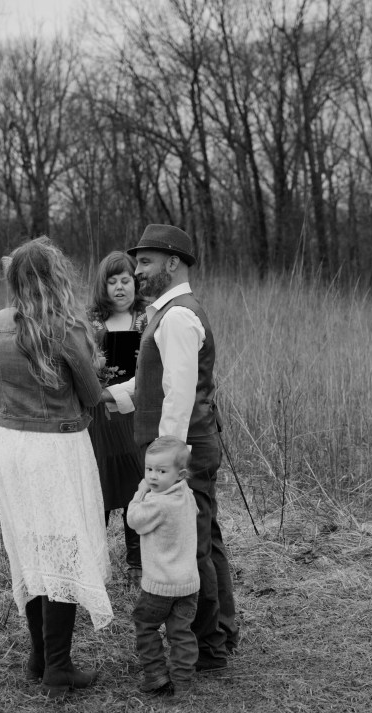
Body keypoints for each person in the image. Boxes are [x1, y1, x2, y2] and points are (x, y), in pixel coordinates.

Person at [0, 236, 114, 699]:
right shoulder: (66, 328)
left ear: (14, 279)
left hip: (9, 448)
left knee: (31, 548)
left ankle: (39, 657)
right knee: (63, 549)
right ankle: (58, 666)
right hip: (56, 450)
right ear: (56, 277)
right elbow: (92, 395)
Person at [127, 223, 239, 673]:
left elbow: (179, 394)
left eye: (145, 261)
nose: (137, 270)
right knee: (205, 538)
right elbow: (153, 383)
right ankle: (219, 634)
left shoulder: (176, 316)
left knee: (194, 548)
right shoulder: (170, 313)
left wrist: (167, 463)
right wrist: (107, 397)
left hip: (183, 453)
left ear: (172, 263)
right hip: (189, 448)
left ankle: (209, 647)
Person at [87, 251, 147, 588]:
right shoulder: (90, 322)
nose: (120, 287)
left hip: (135, 413)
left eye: (126, 280)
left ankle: (137, 561)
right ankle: (96, 563)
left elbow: (153, 370)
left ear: (135, 283)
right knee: (99, 483)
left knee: (136, 483)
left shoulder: (146, 319)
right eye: (113, 282)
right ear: (103, 286)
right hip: (98, 417)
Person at [127, 436, 199, 697]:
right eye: (149, 469)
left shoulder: (157, 503)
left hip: (159, 585)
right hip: (188, 583)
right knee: (181, 633)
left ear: (180, 474)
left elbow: (134, 520)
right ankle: (183, 681)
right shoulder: (186, 494)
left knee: (145, 625)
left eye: (161, 471)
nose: (153, 477)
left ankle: (156, 674)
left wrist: (139, 494)